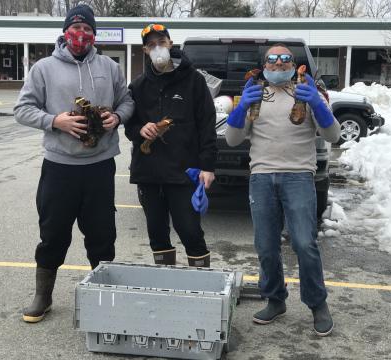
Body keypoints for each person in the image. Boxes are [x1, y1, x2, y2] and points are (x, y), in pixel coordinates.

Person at [14, 4, 134, 323]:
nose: (81, 35)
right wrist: (55, 121)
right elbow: (22, 109)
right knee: (53, 232)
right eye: (76, 29)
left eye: (87, 30)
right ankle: (44, 295)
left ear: (95, 35)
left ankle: (103, 295)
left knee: (102, 233)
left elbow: (128, 100)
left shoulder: (109, 67)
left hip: (99, 166)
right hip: (59, 166)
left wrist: (117, 116)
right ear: (66, 32)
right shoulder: (44, 68)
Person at [225, 44, 340, 336]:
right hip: (262, 176)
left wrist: (317, 103)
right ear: (264, 65)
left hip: (299, 176)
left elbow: (333, 135)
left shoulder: (305, 90)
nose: (279, 65)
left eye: (285, 59)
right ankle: (275, 300)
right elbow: (232, 140)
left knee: (304, 243)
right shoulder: (255, 95)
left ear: (294, 64)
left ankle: (318, 304)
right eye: (272, 60)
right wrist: (239, 108)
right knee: (265, 245)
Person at [124, 24, 217, 267]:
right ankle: (166, 280)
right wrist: (139, 129)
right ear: (145, 50)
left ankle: (201, 283)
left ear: (170, 43)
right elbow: (129, 125)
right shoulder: (138, 85)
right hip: (149, 172)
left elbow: (208, 125)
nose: (157, 48)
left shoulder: (194, 81)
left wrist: (208, 166)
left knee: (189, 231)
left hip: (184, 171)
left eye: (161, 42)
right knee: (156, 233)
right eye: (151, 44)